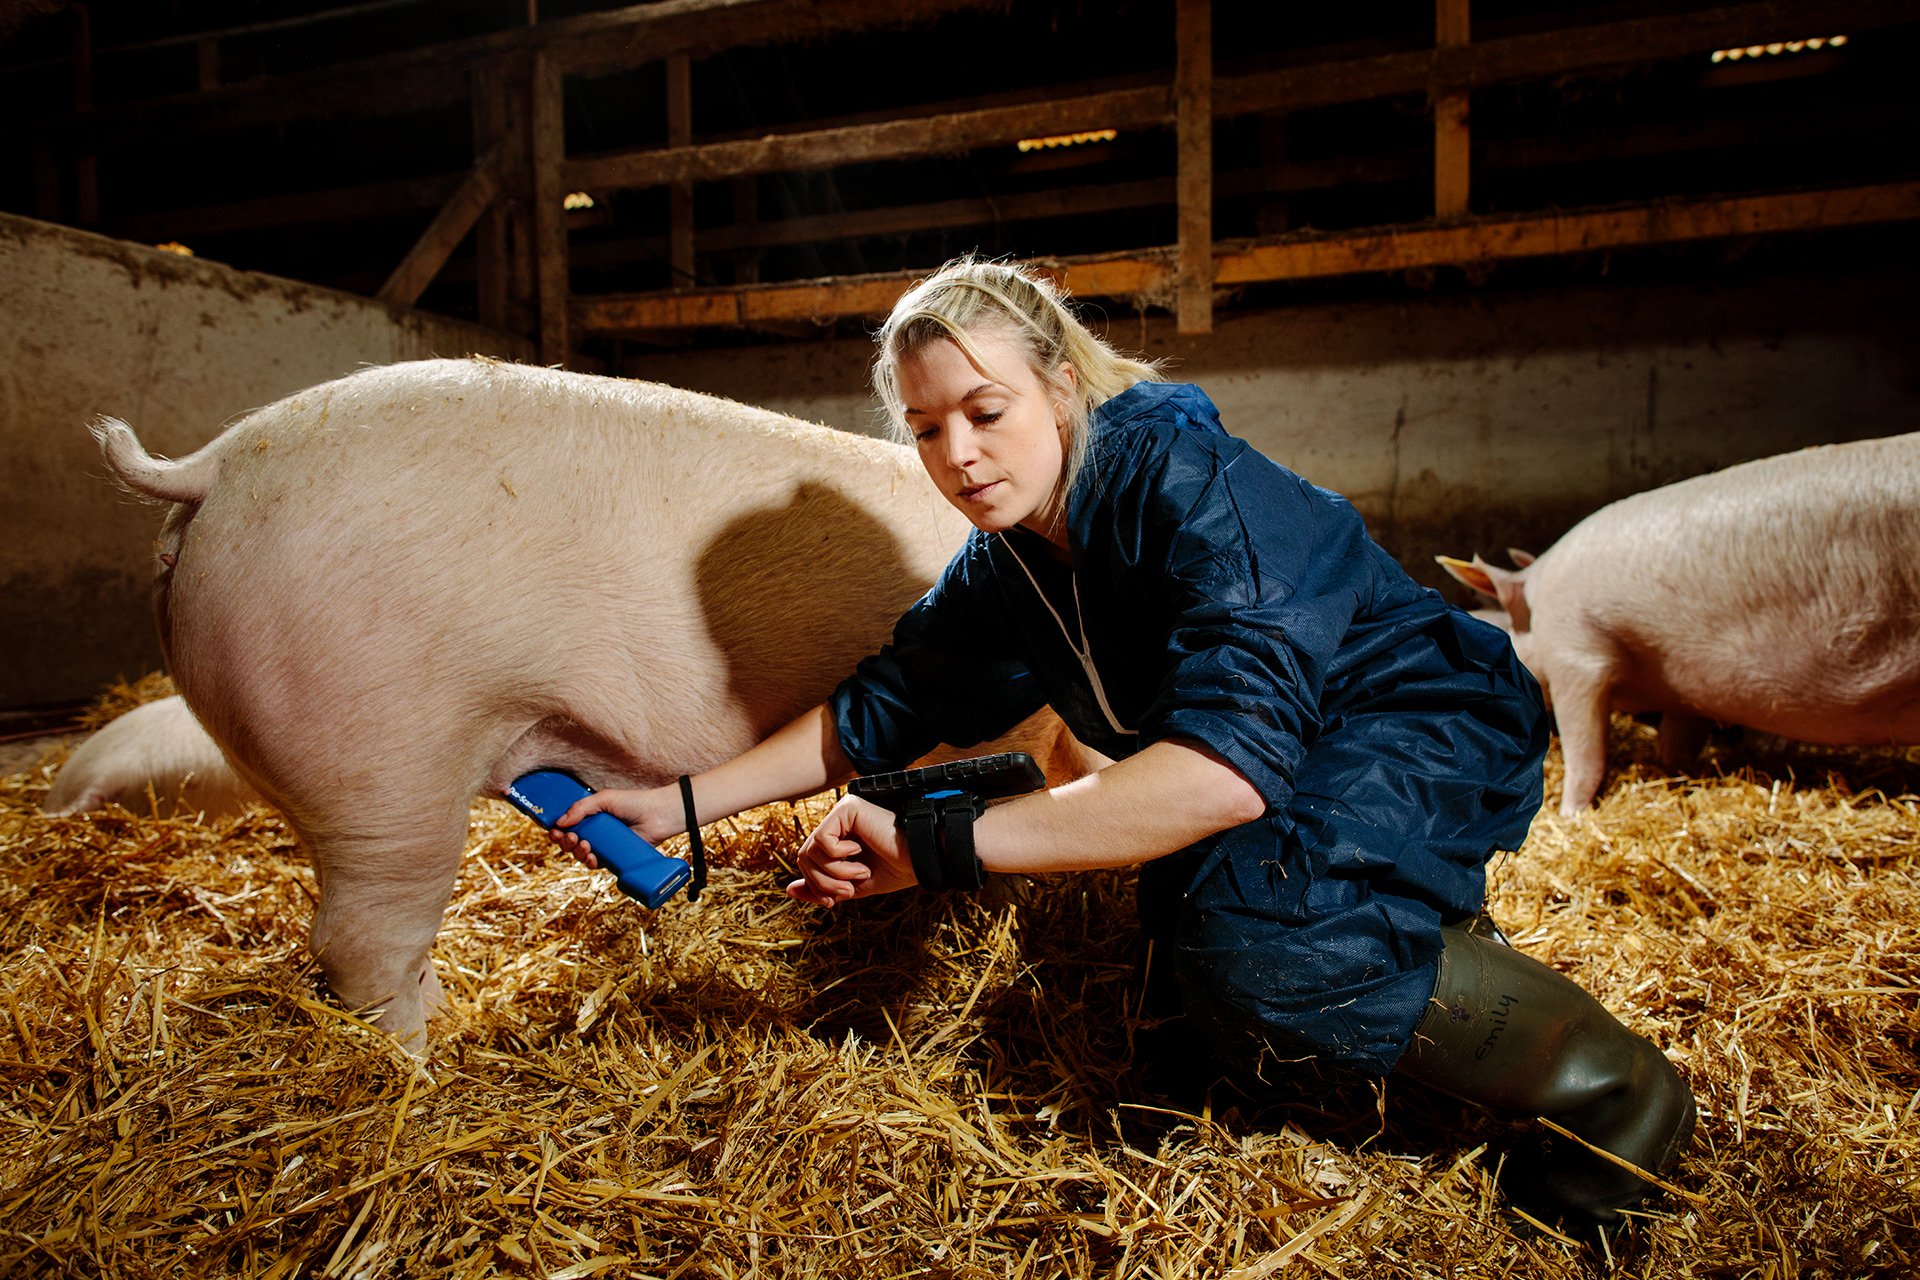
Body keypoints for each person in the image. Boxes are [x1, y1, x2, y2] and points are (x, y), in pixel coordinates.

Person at [550, 255, 1696, 1228]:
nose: (957, 453)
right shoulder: (1011, 565)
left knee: (1267, 945)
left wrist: (939, 846)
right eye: (927, 427)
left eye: (985, 411)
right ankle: (1382, 927)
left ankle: (1619, 1094)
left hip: (1417, 723)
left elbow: (1220, 773)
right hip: (1294, 753)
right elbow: (889, 703)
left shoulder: (1182, 481)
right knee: (1189, 1001)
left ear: (1058, 385)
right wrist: (685, 803)